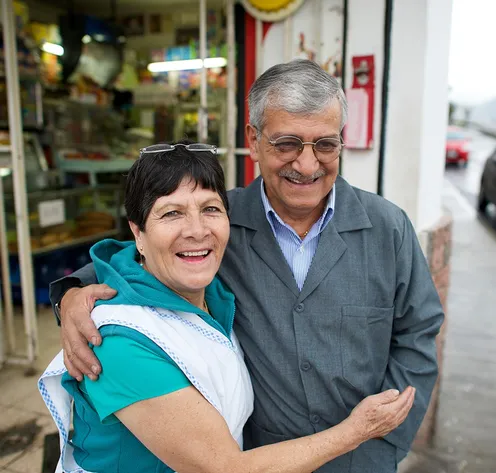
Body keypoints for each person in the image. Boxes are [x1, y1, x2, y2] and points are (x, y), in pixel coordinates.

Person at [50, 59, 444, 473]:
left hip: (361, 458)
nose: (307, 165)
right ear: (253, 141)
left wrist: (384, 444)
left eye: (325, 144)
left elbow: (417, 334)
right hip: (256, 458)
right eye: (287, 143)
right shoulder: (219, 222)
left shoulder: (387, 227)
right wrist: (73, 296)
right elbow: (138, 259)